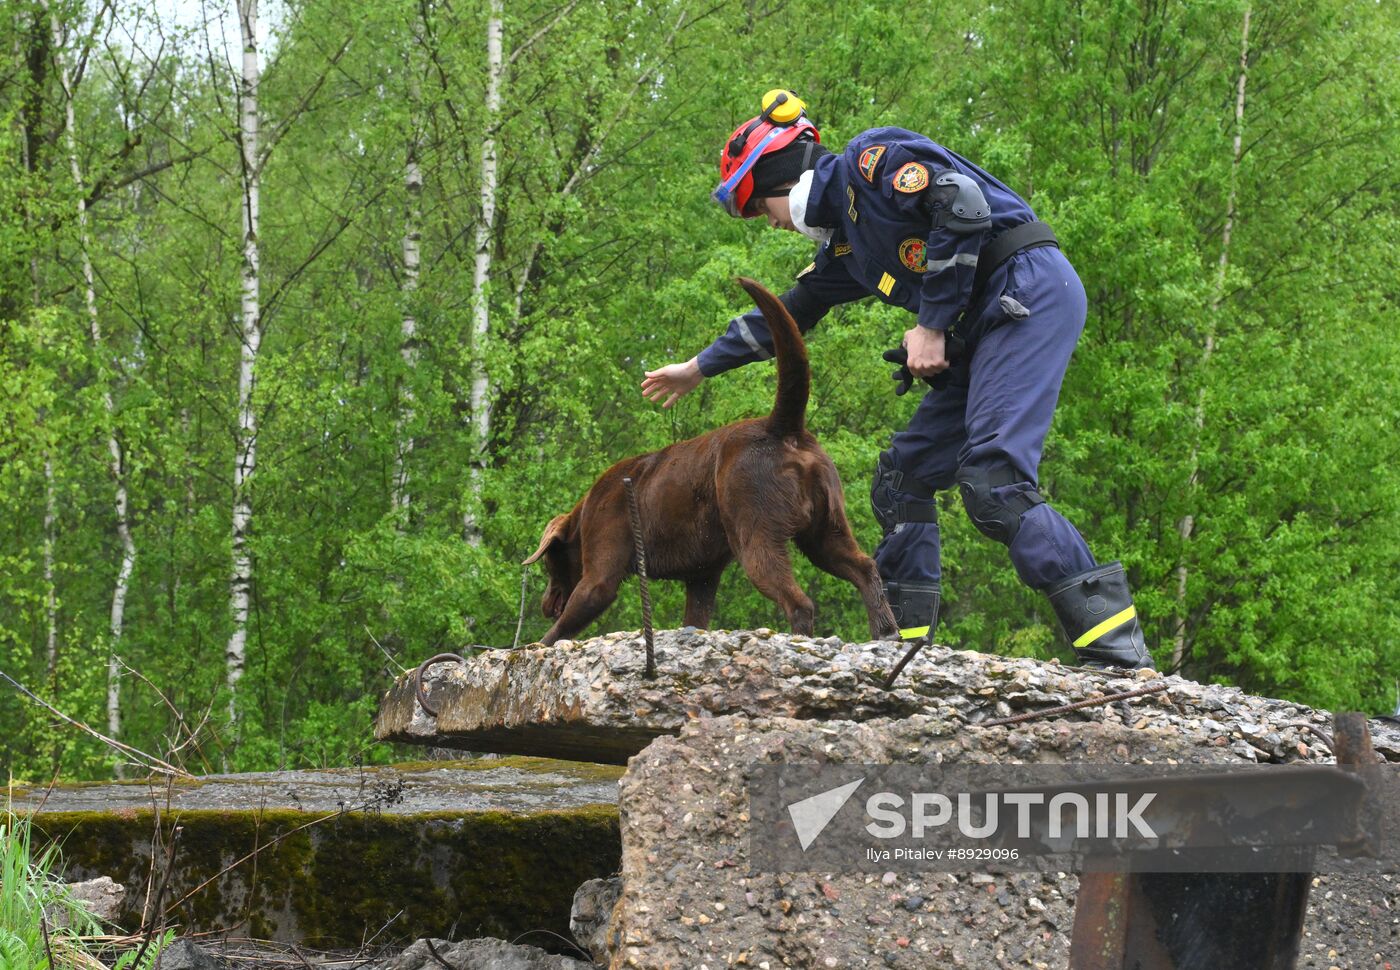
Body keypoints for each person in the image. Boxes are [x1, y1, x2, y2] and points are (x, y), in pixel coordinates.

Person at [640, 90, 1152, 670]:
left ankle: (1118, 655)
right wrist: (698, 367)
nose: (770, 224)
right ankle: (907, 654)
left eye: (759, 208)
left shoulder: (872, 161)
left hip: (1027, 288)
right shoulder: (845, 247)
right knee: (900, 480)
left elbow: (962, 205)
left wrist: (930, 326)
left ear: (780, 177)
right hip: (985, 318)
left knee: (994, 482)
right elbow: (789, 314)